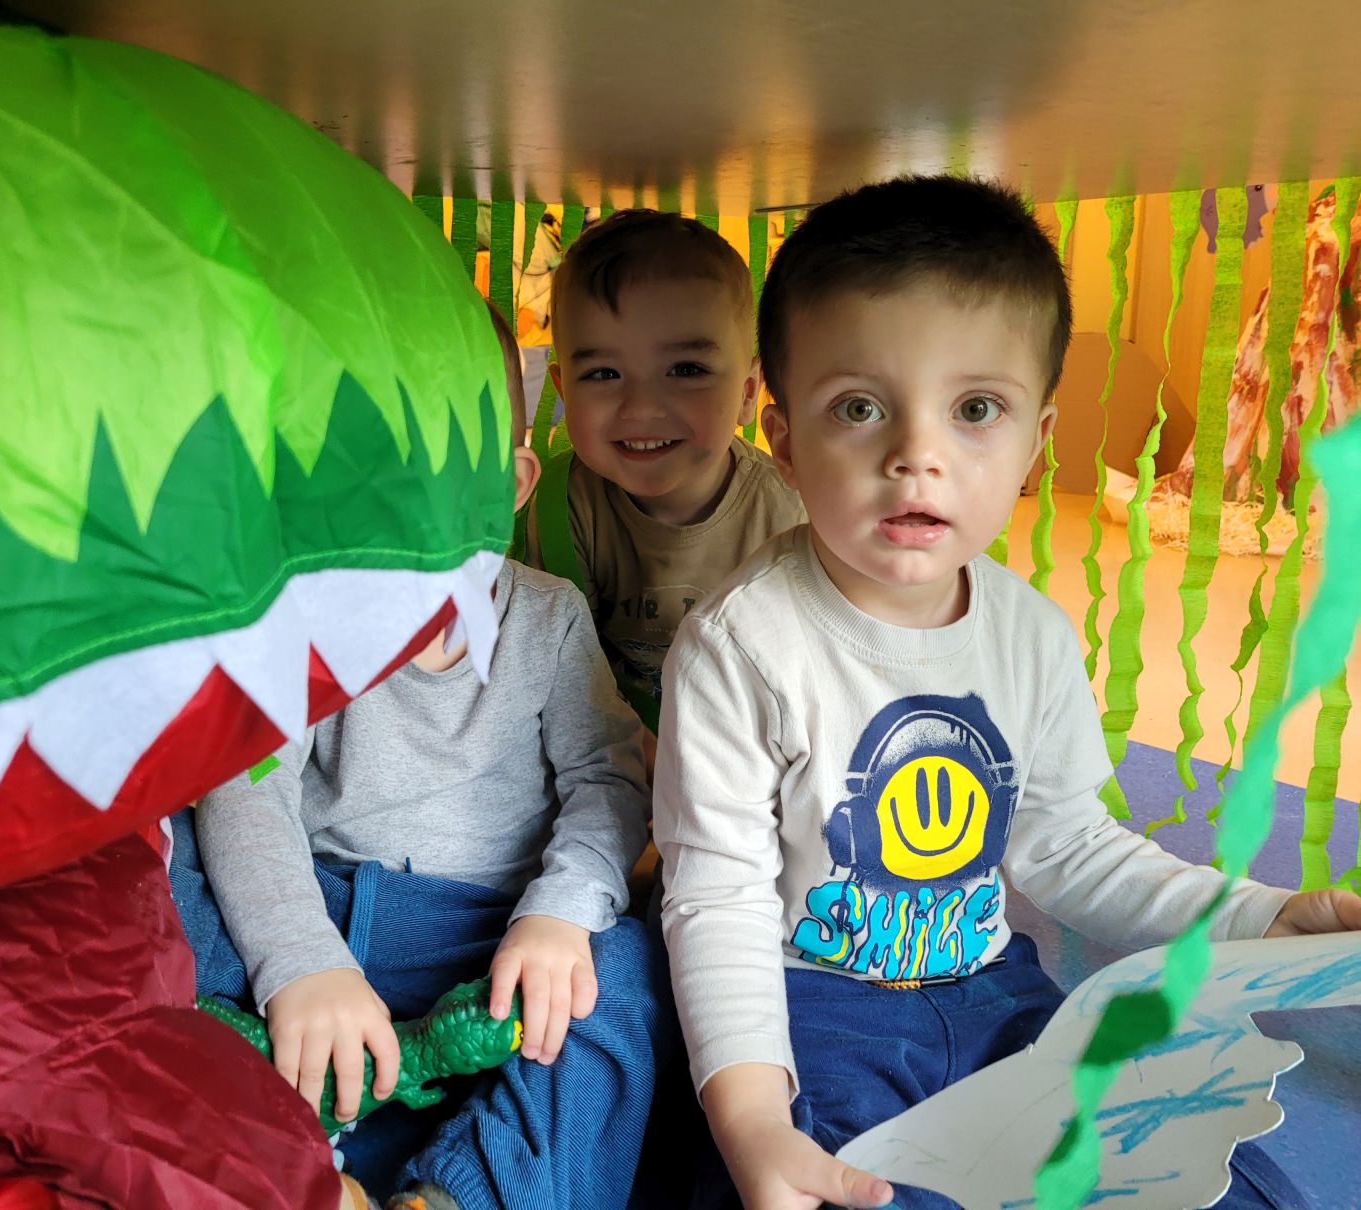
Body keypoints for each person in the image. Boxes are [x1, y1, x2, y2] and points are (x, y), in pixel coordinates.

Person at [653, 175, 1361, 1210]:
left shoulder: (1028, 634)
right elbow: (715, 897)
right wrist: (752, 1117)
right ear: (783, 437)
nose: (916, 456)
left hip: (999, 999)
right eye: (858, 408)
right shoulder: (739, 645)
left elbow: (1066, 846)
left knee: (1209, 1178)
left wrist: (1259, 914)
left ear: (1035, 440)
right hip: (811, 1018)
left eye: (974, 409)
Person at [175, 303, 670, 1210]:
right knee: (159, 868)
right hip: (308, 905)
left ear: (512, 484)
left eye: (444, 488)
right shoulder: (298, 616)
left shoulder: (547, 617)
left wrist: (557, 916)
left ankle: (460, 1195)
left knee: (625, 974)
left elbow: (608, 782)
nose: (406, 531)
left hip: (486, 938)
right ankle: (278, 1157)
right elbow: (246, 791)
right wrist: (301, 961)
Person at [532, 210, 806, 734]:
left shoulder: (794, 513)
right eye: (603, 373)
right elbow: (556, 678)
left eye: (686, 370)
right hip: (605, 745)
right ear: (564, 391)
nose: (641, 407)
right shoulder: (558, 505)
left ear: (748, 393)